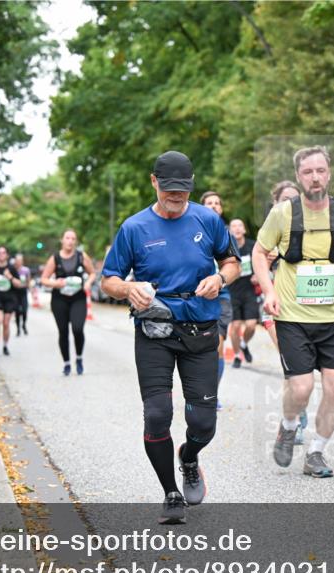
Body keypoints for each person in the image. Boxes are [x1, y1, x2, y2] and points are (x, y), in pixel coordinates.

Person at [102, 151, 239, 524]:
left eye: (182, 193)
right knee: (158, 414)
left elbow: (232, 262)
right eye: (169, 192)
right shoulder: (134, 228)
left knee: (203, 424)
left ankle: (189, 457)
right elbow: (108, 280)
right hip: (154, 330)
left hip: (201, 328)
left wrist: (220, 279)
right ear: (154, 183)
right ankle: (171, 493)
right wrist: (129, 289)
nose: (176, 200)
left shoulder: (208, 220)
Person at [253, 146, 334, 479]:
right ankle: (288, 427)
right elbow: (260, 253)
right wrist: (270, 290)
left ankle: (315, 452)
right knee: (301, 388)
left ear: (329, 173)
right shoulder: (283, 213)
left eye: (320, 170)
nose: (315, 177)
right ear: (299, 176)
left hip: (332, 316)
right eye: (307, 172)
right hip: (291, 315)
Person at [261, 180, 310, 444]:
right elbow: (256, 279)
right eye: (286, 200)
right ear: (276, 203)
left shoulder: (311, 229)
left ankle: (292, 415)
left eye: (296, 200)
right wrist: (268, 266)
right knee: (293, 367)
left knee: (301, 369)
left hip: (305, 308)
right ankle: (296, 422)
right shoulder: (270, 232)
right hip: (276, 308)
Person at [41, 230, 97, 375]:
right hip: (59, 299)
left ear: (75, 241)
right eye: (67, 238)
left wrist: (88, 283)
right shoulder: (55, 258)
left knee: (78, 329)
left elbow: (92, 273)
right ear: (62, 240)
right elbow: (44, 279)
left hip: (78, 298)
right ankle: (66, 363)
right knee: (63, 332)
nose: (70, 241)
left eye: (73, 238)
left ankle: (78, 358)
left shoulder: (81, 256)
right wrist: (55, 283)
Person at [198, 191, 234, 409]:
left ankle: (212, 393)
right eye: (209, 203)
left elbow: (234, 265)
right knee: (199, 348)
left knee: (217, 345)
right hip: (195, 296)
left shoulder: (227, 234)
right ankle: (197, 390)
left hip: (221, 297)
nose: (213, 206)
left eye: (217, 203)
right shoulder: (191, 229)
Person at [227, 218, 261, 369]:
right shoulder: (227, 247)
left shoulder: (252, 246)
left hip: (249, 290)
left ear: (244, 230)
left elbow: (262, 263)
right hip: (232, 290)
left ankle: (243, 344)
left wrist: (258, 275)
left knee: (251, 325)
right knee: (234, 327)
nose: (237, 228)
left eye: (240, 225)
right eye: (233, 226)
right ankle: (236, 355)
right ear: (229, 231)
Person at [12, 254, 32, 337]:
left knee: (24, 311)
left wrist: (28, 286)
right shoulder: (12, 270)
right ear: (15, 261)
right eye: (17, 260)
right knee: (17, 312)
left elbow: (28, 281)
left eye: (20, 260)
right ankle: (18, 329)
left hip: (23, 293)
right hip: (15, 294)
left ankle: (24, 324)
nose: (18, 262)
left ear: (22, 261)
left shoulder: (26, 270)